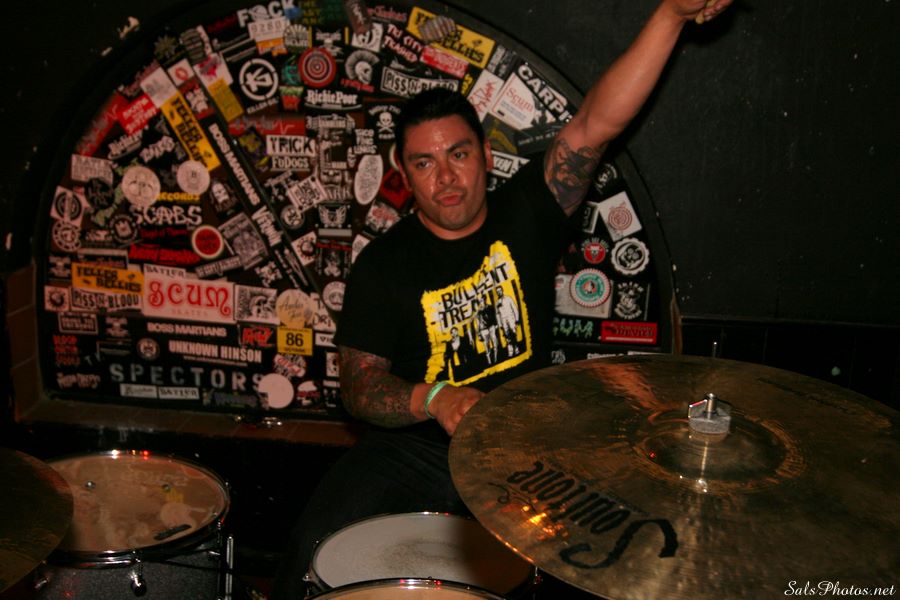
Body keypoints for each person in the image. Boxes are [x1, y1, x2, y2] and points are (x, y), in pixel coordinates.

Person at [271, 1, 732, 597]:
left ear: (487, 156)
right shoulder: (382, 265)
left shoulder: (529, 212)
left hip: (521, 444)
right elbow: (360, 387)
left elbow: (597, 122)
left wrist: (670, 14)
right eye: (425, 163)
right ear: (403, 175)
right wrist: (435, 398)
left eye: (459, 154)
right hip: (411, 449)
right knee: (309, 556)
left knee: (605, 560)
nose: (446, 178)